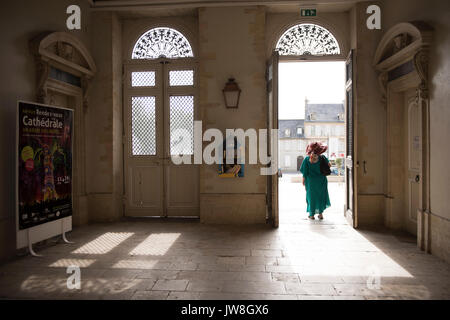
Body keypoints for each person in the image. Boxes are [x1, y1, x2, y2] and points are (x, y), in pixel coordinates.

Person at [300, 142, 331, 220]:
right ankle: (320, 214)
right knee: (320, 196)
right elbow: (329, 165)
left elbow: (304, 172)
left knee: (311, 197)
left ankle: (311, 215)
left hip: (310, 182)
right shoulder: (322, 158)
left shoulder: (307, 159)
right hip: (321, 181)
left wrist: (303, 180)